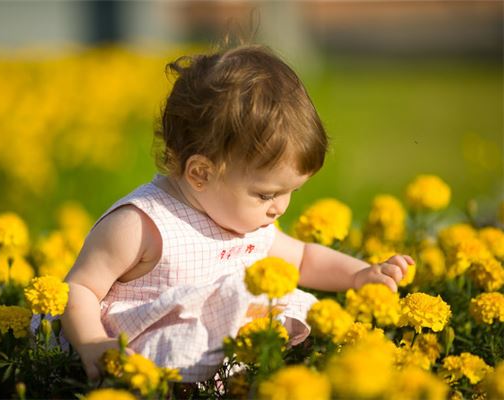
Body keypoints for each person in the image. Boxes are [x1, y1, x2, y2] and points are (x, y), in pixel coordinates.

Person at [60, 43, 414, 383]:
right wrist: (93, 343)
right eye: (266, 194)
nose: (281, 207)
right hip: (148, 364)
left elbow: (304, 259)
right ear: (200, 173)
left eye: (292, 192)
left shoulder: (248, 219)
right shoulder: (141, 224)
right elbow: (80, 288)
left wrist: (360, 275)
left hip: (227, 360)